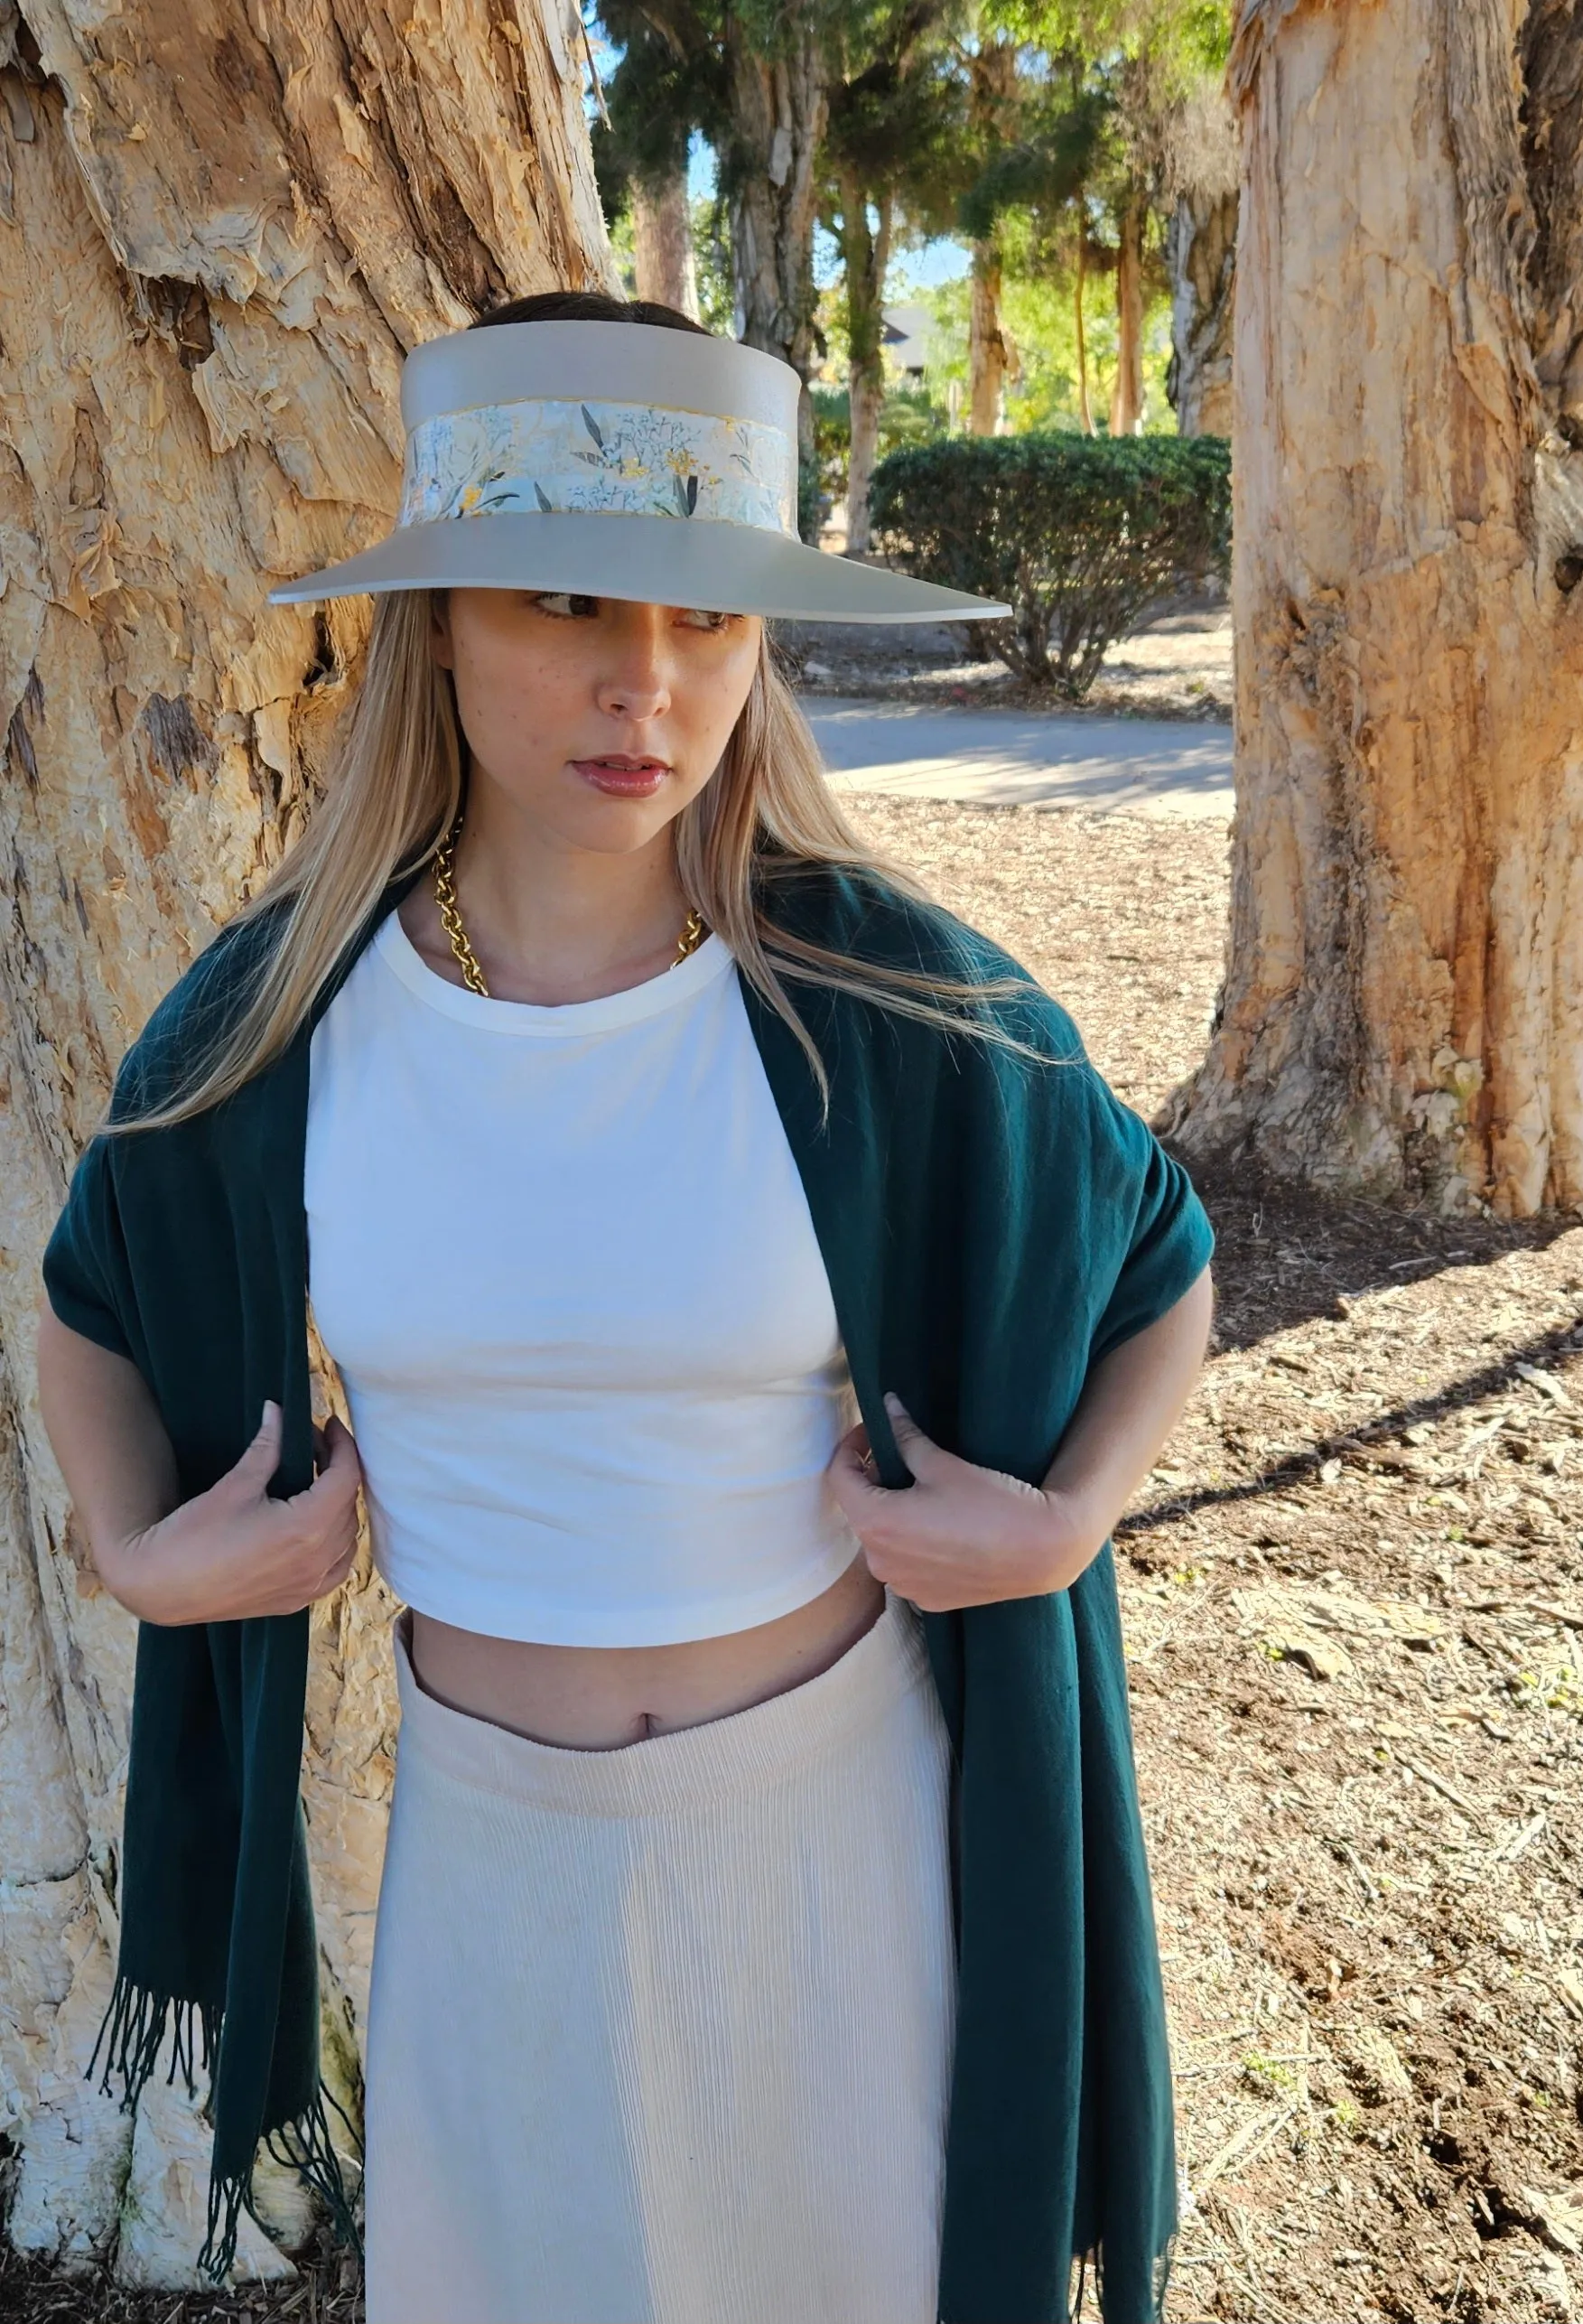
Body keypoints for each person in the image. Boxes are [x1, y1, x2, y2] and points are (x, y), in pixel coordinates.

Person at [34, 290, 1215, 2324]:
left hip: (836, 1849)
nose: (643, 685)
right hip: (493, 1872)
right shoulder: (282, 1027)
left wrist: (1071, 1514)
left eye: (708, 621)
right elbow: (92, 1298)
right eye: (569, 601)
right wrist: (137, 1550)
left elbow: (1154, 1256)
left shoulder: (881, 1002)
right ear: (441, 622)